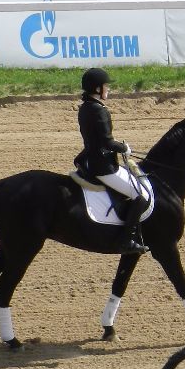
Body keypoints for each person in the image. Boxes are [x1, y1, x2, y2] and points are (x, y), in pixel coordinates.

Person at [74, 67, 149, 255]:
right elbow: (106, 141)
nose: (108, 89)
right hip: (103, 167)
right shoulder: (99, 110)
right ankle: (127, 240)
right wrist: (123, 148)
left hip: (90, 159)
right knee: (140, 197)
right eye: (106, 86)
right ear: (97, 89)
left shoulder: (85, 107)